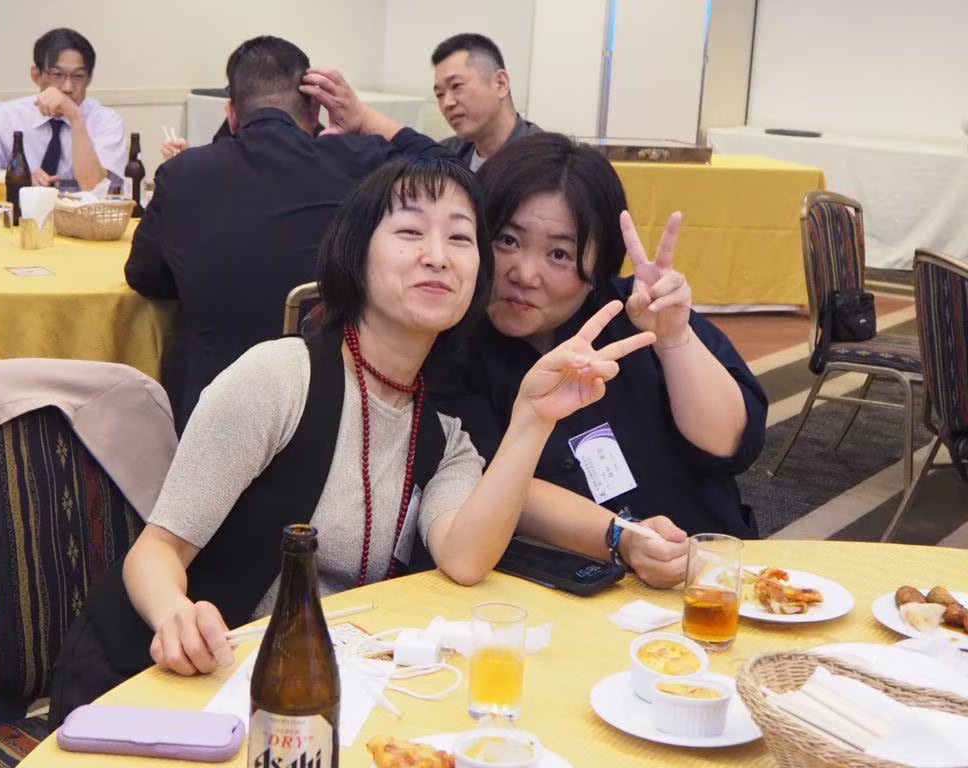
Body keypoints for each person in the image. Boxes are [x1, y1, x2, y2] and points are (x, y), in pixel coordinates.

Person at [48, 155, 662, 723]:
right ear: (356, 252)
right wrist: (175, 616)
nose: (438, 256)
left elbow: (465, 558)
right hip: (165, 686)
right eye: (410, 231)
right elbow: (155, 552)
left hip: (309, 699)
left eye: (459, 238)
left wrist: (533, 416)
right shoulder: (279, 379)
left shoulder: (442, 433)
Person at [430, 133, 768, 555]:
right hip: (568, 572)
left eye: (559, 254)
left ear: (600, 263)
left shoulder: (639, 309)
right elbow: (495, 481)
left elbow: (728, 446)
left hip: (707, 559)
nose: (524, 274)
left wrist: (673, 339)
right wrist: (625, 538)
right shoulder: (454, 349)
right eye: (508, 241)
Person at [125, 36, 455, 433]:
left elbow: (144, 276)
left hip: (210, 413)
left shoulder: (181, 173)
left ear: (232, 114)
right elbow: (452, 174)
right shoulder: (354, 159)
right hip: (333, 409)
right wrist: (364, 117)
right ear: (315, 108)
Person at [0, 28, 126, 191]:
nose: (68, 88)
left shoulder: (107, 121)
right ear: (36, 75)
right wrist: (20, 181)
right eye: (57, 75)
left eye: (78, 76)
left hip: (85, 208)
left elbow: (96, 188)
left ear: (89, 79)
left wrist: (75, 117)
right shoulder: (8, 116)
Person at [432, 33, 541, 171]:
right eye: (440, 95)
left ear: (500, 84)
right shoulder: (443, 157)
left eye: (456, 86)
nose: (447, 103)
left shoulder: (546, 160)